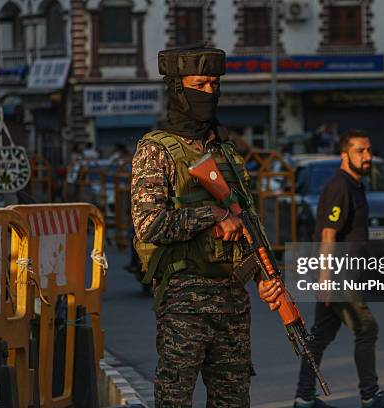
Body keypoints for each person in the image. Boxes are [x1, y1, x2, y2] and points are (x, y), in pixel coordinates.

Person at [130, 45, 282, 407]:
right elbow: (149, 224)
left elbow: (248, 222)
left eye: (215, 84)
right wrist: (211, 216)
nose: (210, 92)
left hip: (232, 300)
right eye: (201, 84)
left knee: (233, 399)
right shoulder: (157, 151)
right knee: (175, 398)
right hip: (185, 299)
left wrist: (267, 276)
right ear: (178, 90)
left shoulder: (226, 152)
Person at [294, 130, 384, 408]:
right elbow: (328, 235)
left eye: (368, 150)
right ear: (345, 155)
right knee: (367, 328)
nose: (367, 156)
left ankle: (304, 398)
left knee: (321, 334)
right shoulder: (340, 187)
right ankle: (370, 395)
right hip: (338, 275)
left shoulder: (355, 185)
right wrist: (324, 280)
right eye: (360, 151)